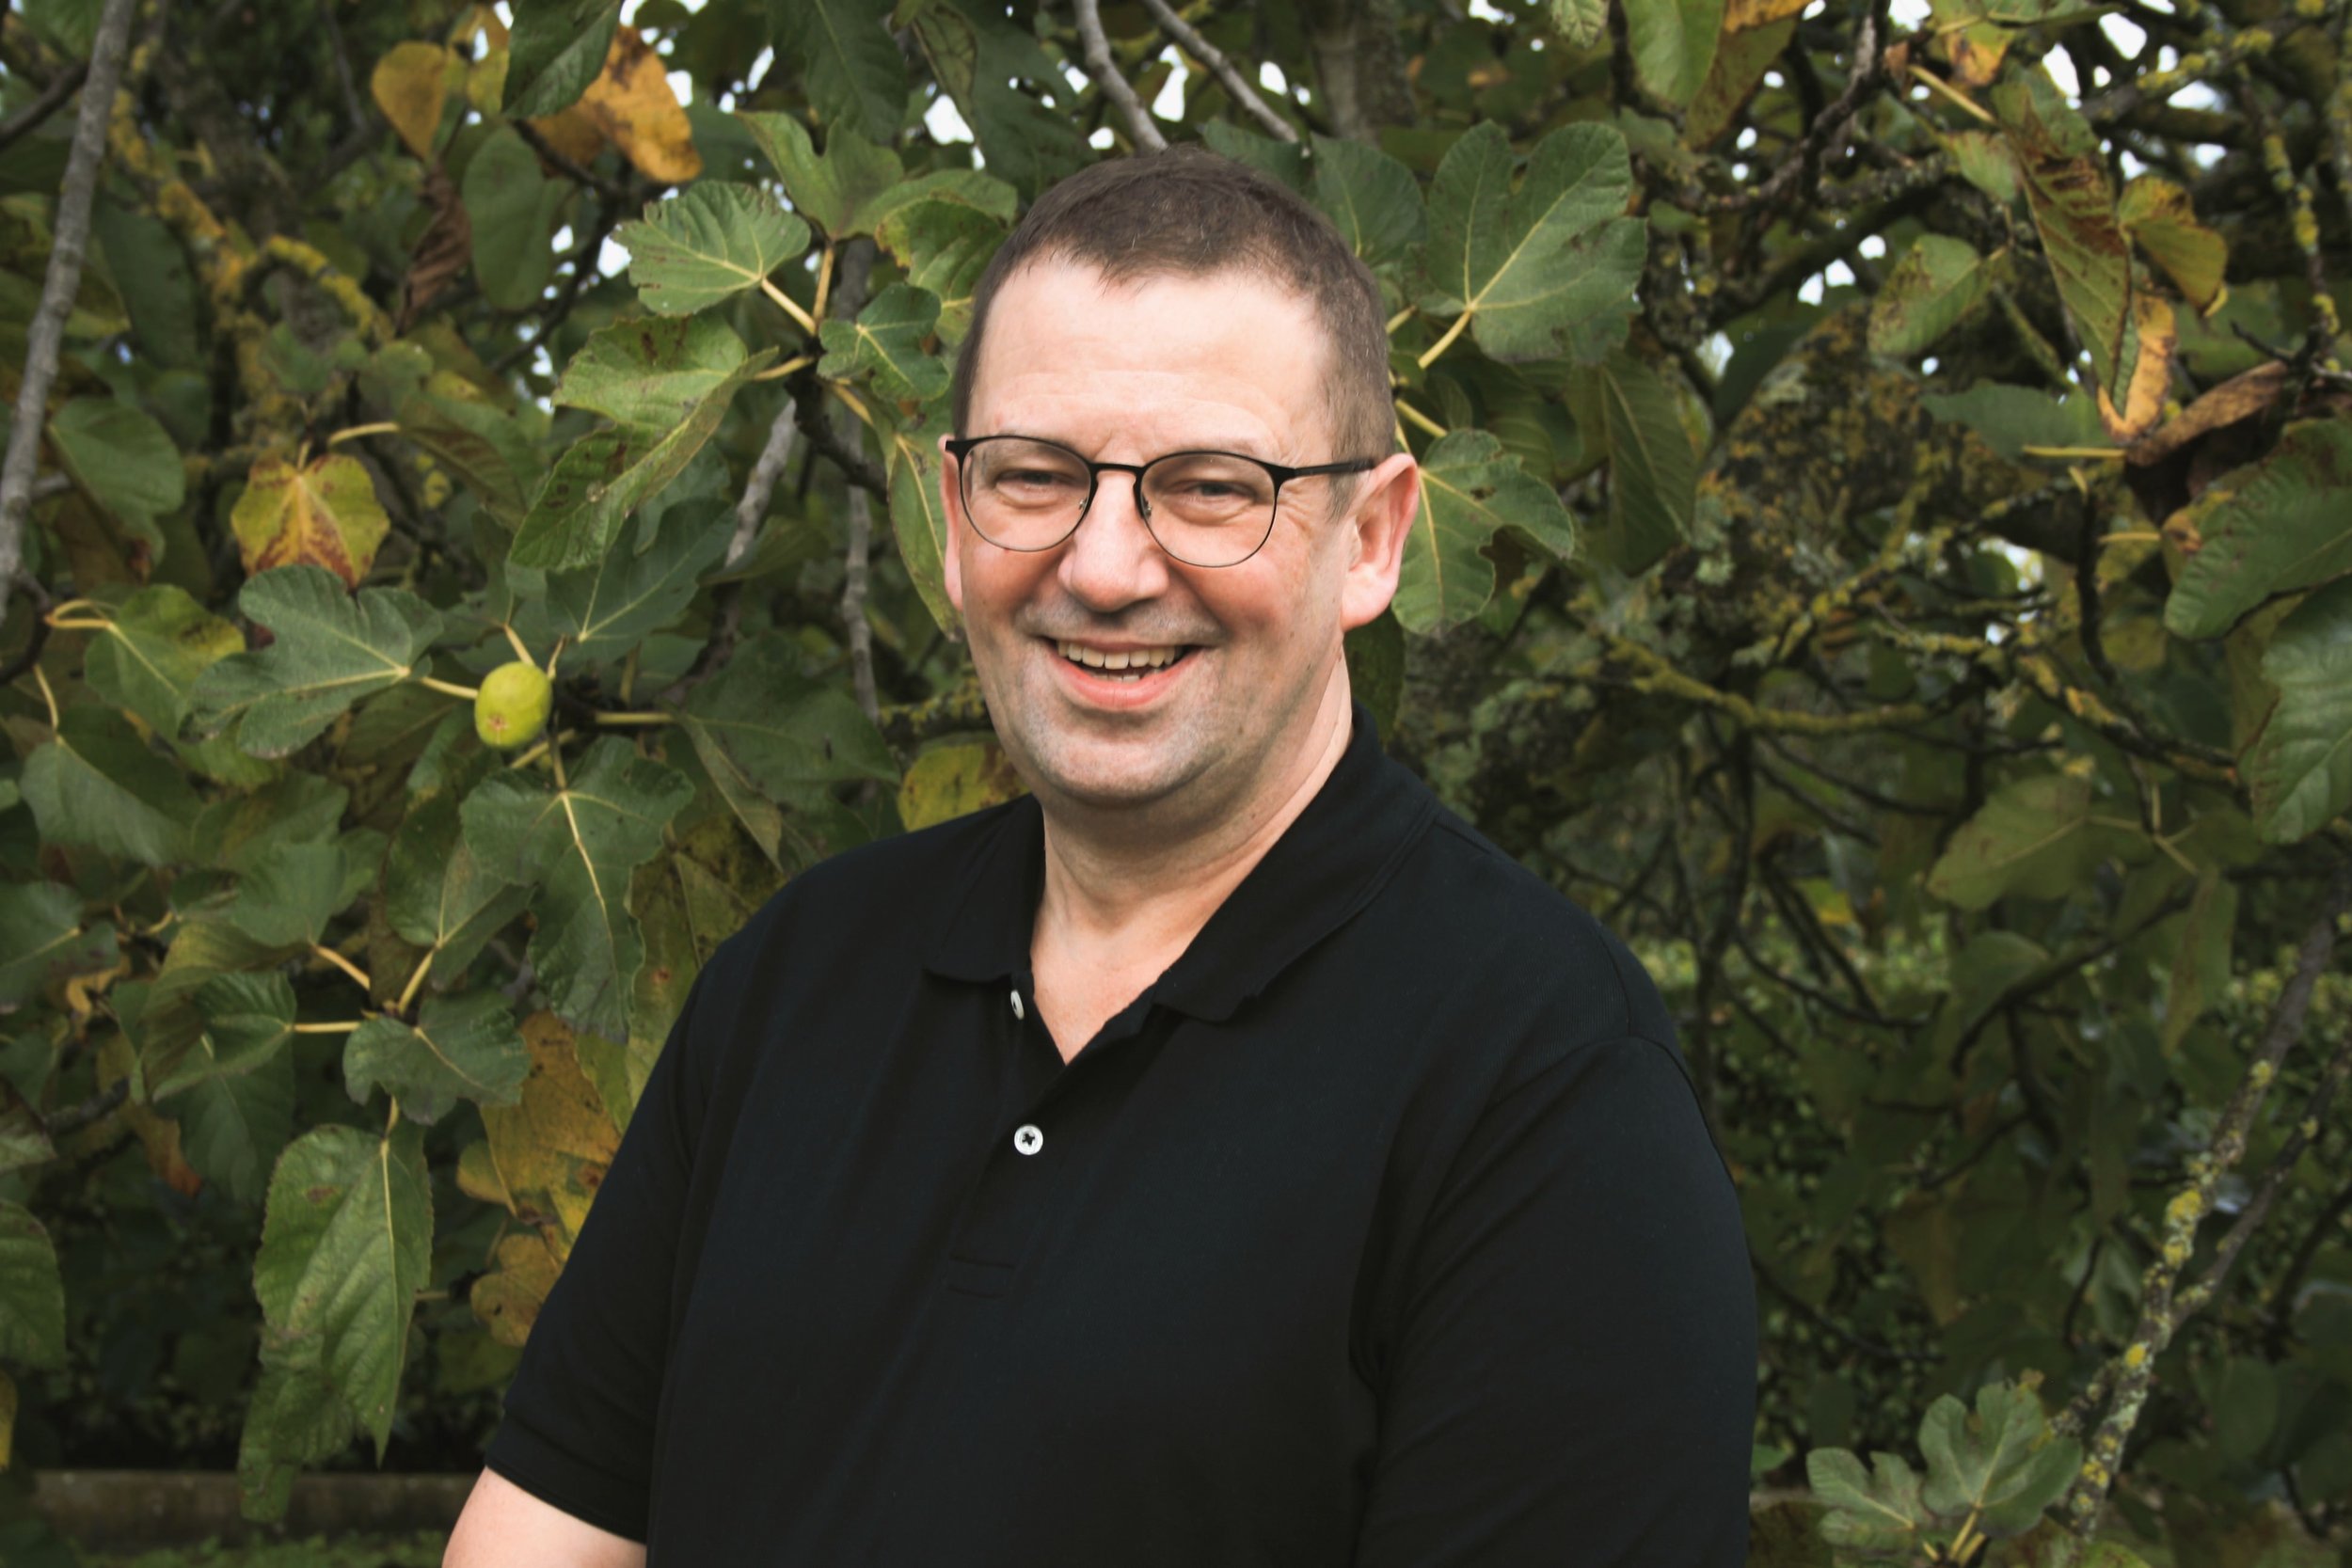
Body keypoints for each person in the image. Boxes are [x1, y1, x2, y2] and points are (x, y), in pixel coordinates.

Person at [445, 146, 1756, 1567]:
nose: (1107, 567)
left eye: (1211, 487)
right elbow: (545, 1534)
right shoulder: (795, 977)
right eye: (1036, 476)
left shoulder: (1546, 1087)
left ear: (1374, 538)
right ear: (955, 517)